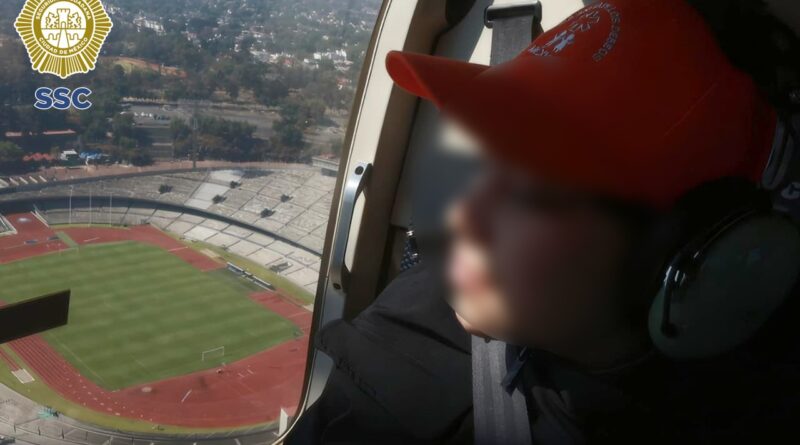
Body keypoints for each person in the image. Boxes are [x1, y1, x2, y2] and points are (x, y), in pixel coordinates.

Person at [286, 0, 800, 443]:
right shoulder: (402, 350)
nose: (461, 216)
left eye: (531, 194)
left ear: (676, 254)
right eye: (483, 163)